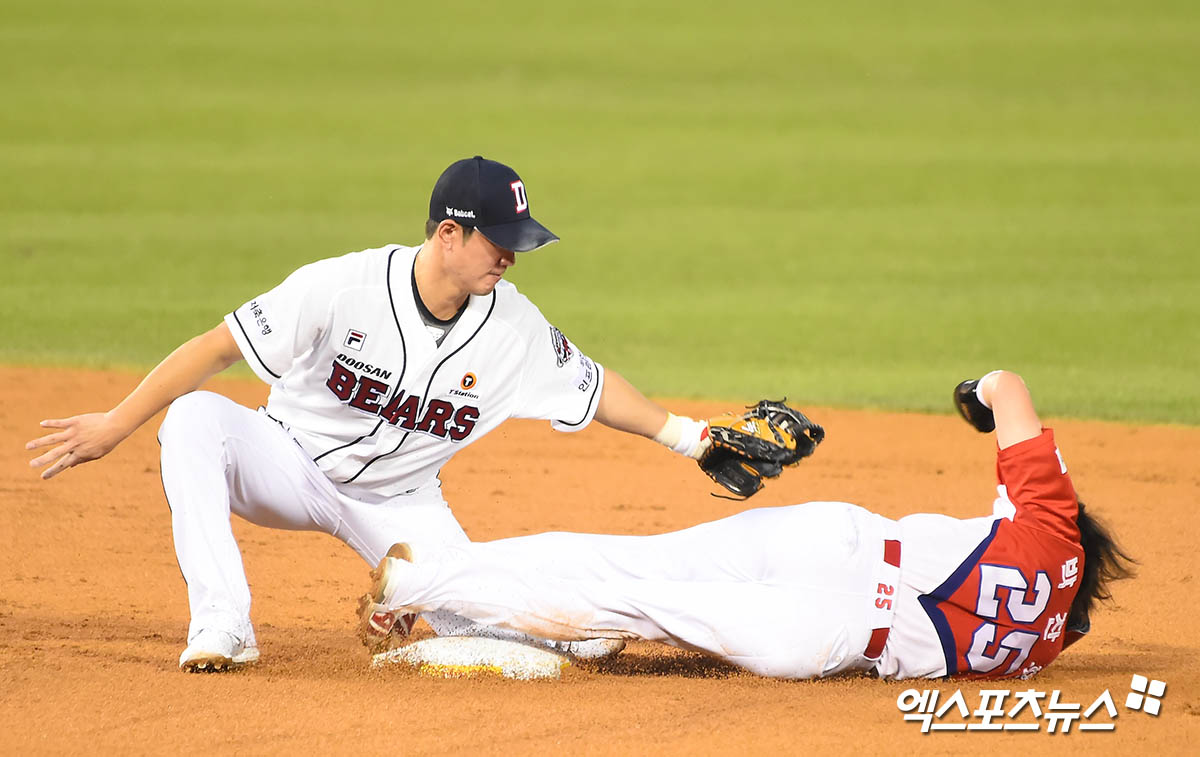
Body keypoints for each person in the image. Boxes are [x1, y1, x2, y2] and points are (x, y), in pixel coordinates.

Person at [25, 156, 716, 672]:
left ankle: (548, 622)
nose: (511, 255)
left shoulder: (515, 327)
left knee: (478, 619)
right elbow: (216, 346)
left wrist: (691, 437)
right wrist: (117, 423)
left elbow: (595, 388)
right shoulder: (344, 286)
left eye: (517, 239)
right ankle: (222, 621)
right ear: (450, 234)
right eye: (498, 239)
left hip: (402, 507)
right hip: (287, 460)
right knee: (196, 419)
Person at [362, 370, 1135, 680]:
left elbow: (1010, 388)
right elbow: (1064, 624)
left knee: (623, 560)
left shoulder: (1054, 527)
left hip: (836, 539)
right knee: (628, 608)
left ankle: (427, 576)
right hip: (820, 638)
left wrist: (978, 392)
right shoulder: (1037, 654)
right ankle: (424, 586)